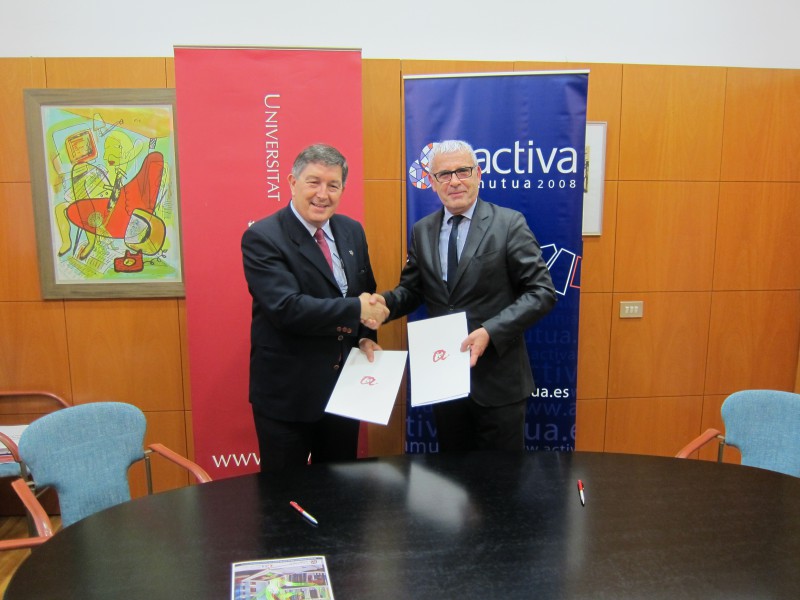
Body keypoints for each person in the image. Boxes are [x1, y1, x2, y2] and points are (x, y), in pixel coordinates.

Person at [370, 139, 557, 452]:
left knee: (502, 479)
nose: (454, 181)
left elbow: (542, 292)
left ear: (478, 174)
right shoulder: (422, 230)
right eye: (444, 175)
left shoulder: (508, 224)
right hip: (444, 380)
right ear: (432, 182)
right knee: (452, 477)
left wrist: (490, 331)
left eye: (462, 171)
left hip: (498, 382)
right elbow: (413, 290)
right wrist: (383, 306)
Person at [241, 143, 389, 471]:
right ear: (292, 182)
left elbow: (365, 291)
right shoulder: (263, 237)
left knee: (340, 492)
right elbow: (287, 308)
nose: (323, 194)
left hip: (344, 391)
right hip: (289, 395)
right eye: (314, 182)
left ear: (343, 189)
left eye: (333, 185)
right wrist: (356, 311)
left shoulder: (351, 230)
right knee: (286, 495)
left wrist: (365, 335)